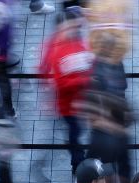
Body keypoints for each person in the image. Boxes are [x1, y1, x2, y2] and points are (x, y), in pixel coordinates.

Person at [40, 7, 92, 173]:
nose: (75, 30)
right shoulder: (55, 49)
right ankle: (77, 161)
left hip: (82, 101)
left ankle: (78, 157)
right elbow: (60, 82)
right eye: (71, 27)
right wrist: (83, 80)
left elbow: (89, 63)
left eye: (77, 27)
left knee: (78, 130)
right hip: (68, 105)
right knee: (75, 131)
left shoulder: (78, 42)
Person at [82, 32, 132, 183]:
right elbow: (93, 115)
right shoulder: (96, 74)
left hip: (115, 125)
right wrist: (116, 127)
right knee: (110, 165)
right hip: (108, 129)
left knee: (120, 166)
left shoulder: (114, 63)